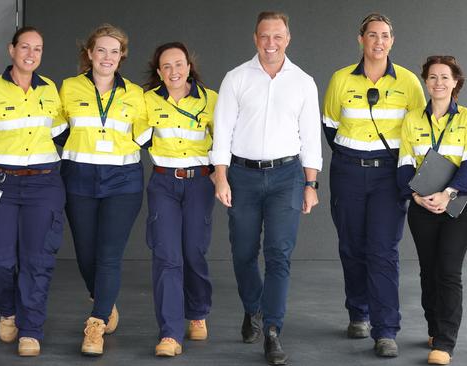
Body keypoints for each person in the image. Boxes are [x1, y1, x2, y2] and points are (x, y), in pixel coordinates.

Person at [211, 11, 322, 366]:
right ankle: (252, 308)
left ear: (288, 38)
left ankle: (272, 330)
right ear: (255, 38)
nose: (271, 43)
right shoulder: (236, 78)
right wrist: (221, 176)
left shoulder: (304, 82)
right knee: (243, 252)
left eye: (278, 37)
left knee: (279, 255)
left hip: (286, 177)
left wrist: (311, 184)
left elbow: (310, 138)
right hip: (241, 176)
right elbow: (223, 130)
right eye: (264, 37)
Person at [0, 26, 68, 357]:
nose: (31, 54)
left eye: (38, 48)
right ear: (12, 50)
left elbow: (66, 135)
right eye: (25, 47)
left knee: (38, 259)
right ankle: (9, 310)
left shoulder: (50, 91)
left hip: (45, 183)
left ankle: (30, 330)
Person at [322, 13, 425, 357]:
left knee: (383, 251)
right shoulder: (339, 80)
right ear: (360, 39)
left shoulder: (409, 83)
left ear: (392, 41)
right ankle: (358, 312)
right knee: (351, 246)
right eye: (372, 35)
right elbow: (331, 127)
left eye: (384, 36)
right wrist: (354, 156)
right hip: (348, 172)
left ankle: (385, 330)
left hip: (388, 176)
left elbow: (420, 132)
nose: (378, 42)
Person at [58, 23, 150, 356]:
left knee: (109, 255)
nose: (107, 57)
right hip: (78, 178)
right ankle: (105, 300)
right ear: (89, 54)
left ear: (122, 56)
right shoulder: (68, 88)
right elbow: (54, 132)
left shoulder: (135, 94)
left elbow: (146, 136)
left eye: (114, 51)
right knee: (85, 253)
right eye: (101, 50)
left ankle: (96, 324)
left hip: (123, 181)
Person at [397, 56, 467, 365]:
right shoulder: (412, 120)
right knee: (428, 271)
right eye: (432, 77)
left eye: (445, 77)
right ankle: (434, 325)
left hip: (457, 206)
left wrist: (448, 194)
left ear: (456, 81)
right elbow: (404, 165)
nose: (439, 83)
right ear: (426, 82)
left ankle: (445, 342)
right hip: (421, 207)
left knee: (448, 271)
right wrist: (416, 197)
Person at [142, 42, 218, 357]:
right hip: (163, 183)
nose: (174, 71)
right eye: (167, 66)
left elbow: (225, 140)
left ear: (189, 65)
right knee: (167, 257)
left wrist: (218, 173)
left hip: (200, 183)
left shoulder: (211, 99)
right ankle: (170, 334)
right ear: (159, 72)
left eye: (179, 64)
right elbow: (133, 137)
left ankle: (197, 311)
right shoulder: (146, 101)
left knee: (193, 252)